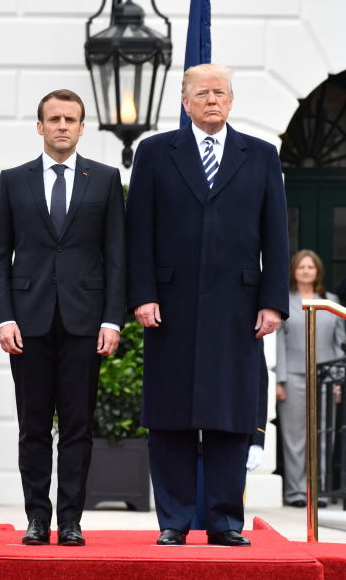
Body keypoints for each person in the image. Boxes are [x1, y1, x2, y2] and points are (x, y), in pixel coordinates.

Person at [127, 63, 289, 547]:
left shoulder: (261, 155)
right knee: (170, 414)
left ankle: (225, 521)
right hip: (169, 306)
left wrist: (272, 302)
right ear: (185, 102)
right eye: (202, 93)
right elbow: (138, 231)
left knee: (231, 415)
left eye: (220, 92)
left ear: (231, 100)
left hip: (239, 308)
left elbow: (276, 235)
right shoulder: (154, 152)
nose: (212, 100)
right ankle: (174, 521)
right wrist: (142, 294)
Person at [0, 89, 125, 546]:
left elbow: (116, 256)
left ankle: (70, 520)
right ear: (40, 126)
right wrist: (3, 318)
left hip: (85, 322)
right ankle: (36, 518)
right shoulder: (13, 180)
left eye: (70, 119)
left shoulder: (104, 180)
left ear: (82, 128)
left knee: (77, 427)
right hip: (27, 324)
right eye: (54, 119)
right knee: (32, 427)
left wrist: (112, 320)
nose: (62, 125)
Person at [275, 249, 345, 507]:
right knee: (294, 436)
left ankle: (319, 491)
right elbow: (278, 342)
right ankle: (296, 492)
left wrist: (338, 380)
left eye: (310, 267)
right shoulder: (284, 299)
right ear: (294, 271)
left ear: (318, 271)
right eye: (301, 267)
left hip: (326, 377)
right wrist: (279, 380)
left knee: (323, 435)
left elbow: (340, 342)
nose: (306, 271)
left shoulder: (331, 300)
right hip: (293, 375)